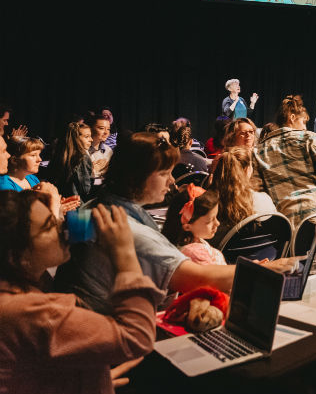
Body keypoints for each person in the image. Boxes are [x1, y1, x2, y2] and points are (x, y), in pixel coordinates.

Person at [56, 133, 295, 314]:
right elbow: (199, 278)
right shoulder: (128, 230)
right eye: (163, 174)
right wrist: (268, 269)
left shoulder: (90, 210)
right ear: (136, 177)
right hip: (110, 340)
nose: (171, 181)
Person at [0, 191, 161, 394]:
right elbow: (136, 337)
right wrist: (125, 254)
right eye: (49, 225)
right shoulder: (34, 312)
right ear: (17, 257)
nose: (62, 228)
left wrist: (87, 383)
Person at [253, 95, 316, 229]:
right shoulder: (307, 137)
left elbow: (258, 187)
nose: (305, 128)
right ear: (292, 117)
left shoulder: (258, 151)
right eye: (304, 122)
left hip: (286, 223)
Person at [208, 146, 277, 247]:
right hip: (266, 258)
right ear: (247, 170)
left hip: (226, 260)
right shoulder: (265, 199)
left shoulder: (211, 204)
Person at [162, 185, 226, 265]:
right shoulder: (193, 254)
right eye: (209, 221)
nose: (217, 223)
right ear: (187, 227)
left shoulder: (197, 241)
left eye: (215, 217)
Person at [49, 122, 95, 201]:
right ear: (76, 138)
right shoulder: (82, 158)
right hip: (75, 203)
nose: (91, 140)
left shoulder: (59, 154)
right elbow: (85, 190)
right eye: (87, 137)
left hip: (58, 200)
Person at [85, 113, 114, 178]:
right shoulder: (82, 150)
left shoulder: (108, 150)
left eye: (108, 129)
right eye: (101, 128)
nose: (106, 132)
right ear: (91, 129)